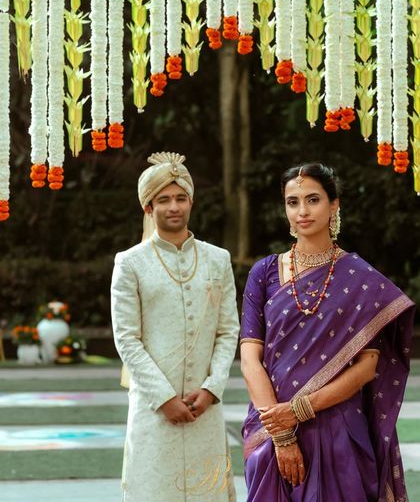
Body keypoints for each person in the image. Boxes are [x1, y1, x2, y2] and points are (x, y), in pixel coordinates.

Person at [240, 163, 415, 502]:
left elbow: (367, 367)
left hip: (339, 425)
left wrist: (302, 409)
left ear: (334, 205)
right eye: (293, 202)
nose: (302, 211)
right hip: (271, 424)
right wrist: (283, 435)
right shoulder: (264, 273)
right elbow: (250, 360)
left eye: (313, 199)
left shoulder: (360, 277)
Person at [111, 151, 239, 502]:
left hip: (205, 407)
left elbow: (229, 330)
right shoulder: (130, 263)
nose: (174, 207)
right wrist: (164, 399)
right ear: (148, 208)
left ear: (191, 202)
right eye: (163, 199)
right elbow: (126, 338)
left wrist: (212, 388)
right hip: (153, 408)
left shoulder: (218, 258)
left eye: (180, 198)